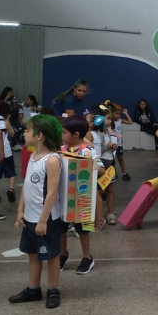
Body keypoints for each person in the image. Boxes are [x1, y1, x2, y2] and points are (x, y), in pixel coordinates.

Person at [9, 115, 64, 308]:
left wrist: (42, 221)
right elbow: (27, 186)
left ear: (39, 135)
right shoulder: (32, 156)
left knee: (51, 255)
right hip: (29, 218)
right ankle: (33, 289)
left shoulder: (52, 160)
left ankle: (53, 289)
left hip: (46, 218)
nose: (24, 133)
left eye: (28, 130)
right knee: (33, 254)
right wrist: (20, 210)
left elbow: (51, 193)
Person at [59, 115, 104, 274]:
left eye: (64, 132)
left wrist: (86, 165)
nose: (62, 135)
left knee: (83, 229)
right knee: (60, 228)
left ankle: (87, 257)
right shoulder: (62, 148)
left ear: (76, 134)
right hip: (63, 196)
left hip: (82, 197)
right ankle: (63, 254)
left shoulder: (88, 151)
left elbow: (102, 170)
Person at [111, 104, 132, 180]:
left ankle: (125, 173)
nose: (118, 116)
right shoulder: (109, 121)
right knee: (111, 160)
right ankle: (113, 174)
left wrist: (126, 114)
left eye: (119, 114)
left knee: (121, 159)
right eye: (116, 114)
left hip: (119, 144)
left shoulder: (120, 120)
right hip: (111, 144)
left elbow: (130, 122)